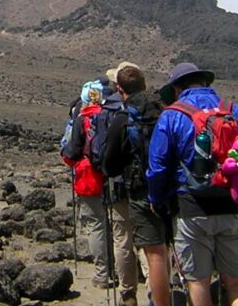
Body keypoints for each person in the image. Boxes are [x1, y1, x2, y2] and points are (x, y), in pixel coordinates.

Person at [147, 62, 238, 306]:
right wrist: (232, 183)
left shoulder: (172, 116)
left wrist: (157, 201)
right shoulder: (235, 111)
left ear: (177, 89)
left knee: (198, 281)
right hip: (233, 205)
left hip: (192, 207)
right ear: (206, 83)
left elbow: (158, 168)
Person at [61, 77, 139, 305]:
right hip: (116, 176)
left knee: (96, 224)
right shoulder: (115, 114)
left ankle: (102, 274)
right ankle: (127, 273)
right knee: (120, 227)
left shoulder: (82, 118)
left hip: (89, 177)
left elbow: (71, 153)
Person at [102, 64, 171, 306]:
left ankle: (136, 296)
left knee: (149, 253)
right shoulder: (164, 112)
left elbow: (109, 164)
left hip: (137, 190)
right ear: (144, 85)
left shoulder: (123, 118)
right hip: (167, 189)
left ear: (119, 88)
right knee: (166, 251)